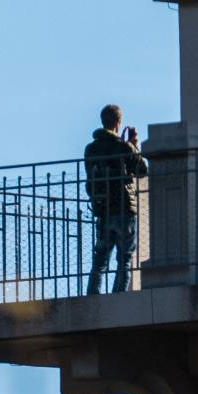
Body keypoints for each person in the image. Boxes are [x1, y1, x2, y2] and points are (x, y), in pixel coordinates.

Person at [83, 103, 148, 295]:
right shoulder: (123, 146)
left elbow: (89, 176)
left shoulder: (91, 149)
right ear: (118, 122)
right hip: (124, 207)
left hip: (102, 208)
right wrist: (134, 146)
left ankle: (93, 295)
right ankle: (118, 295)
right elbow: (142, 170)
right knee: (124, 259)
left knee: (100, 259)